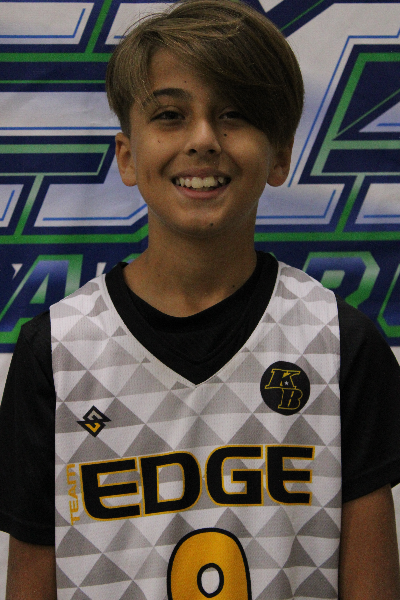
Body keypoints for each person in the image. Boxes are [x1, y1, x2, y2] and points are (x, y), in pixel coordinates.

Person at [1, 0, 400, 598]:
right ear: (128, 156)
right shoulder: (56, 352)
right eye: (170, 115)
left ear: (280, 155)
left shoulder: (342, 344)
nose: (204, 139)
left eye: (235, 114)